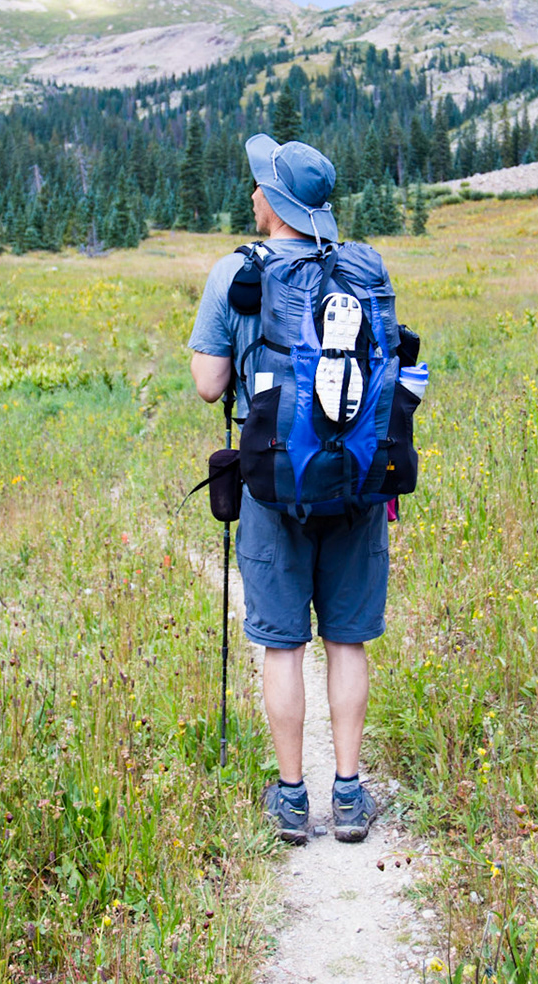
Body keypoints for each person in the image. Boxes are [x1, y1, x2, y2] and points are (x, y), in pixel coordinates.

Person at [187, 134, 388, 845]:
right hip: (360, 480)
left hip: (273, 481)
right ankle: (352, 795)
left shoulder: (234, 274)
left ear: (273, 203)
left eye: (258, 184)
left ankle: (294, 799)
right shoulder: (364, 268)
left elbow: (210, 383)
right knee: (347, 641)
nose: (251, 192)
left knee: (282, 646)